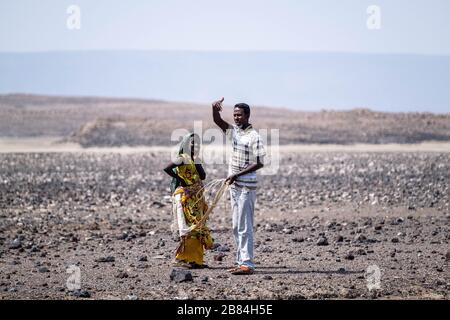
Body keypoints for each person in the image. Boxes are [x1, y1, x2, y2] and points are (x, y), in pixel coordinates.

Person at [212, 97, 266, 275]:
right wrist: (214, 109)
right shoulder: (234, 132)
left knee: (244, 226)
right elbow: (218, 122)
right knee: (236, 225)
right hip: (234, 187)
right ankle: (239, 261)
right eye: (234, 115)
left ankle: (247, 264)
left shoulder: (254, 136)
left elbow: (260, 163)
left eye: (239, 115)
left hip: (246, 187)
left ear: (247, 116)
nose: (236, 118)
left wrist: (237, 174)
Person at [163, 133, 213, 269]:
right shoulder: (182, 158)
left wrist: (196, 160)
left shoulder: (193, 159)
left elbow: (202, 176)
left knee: (198, 227)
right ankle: (182, 259)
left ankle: (196, 260)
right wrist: (182, 180)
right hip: (186, 198)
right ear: (186, 144)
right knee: (190, 228)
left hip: (196, 199)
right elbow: (167, 168)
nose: (195, 146)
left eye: (197, 144)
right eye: (192, 143)